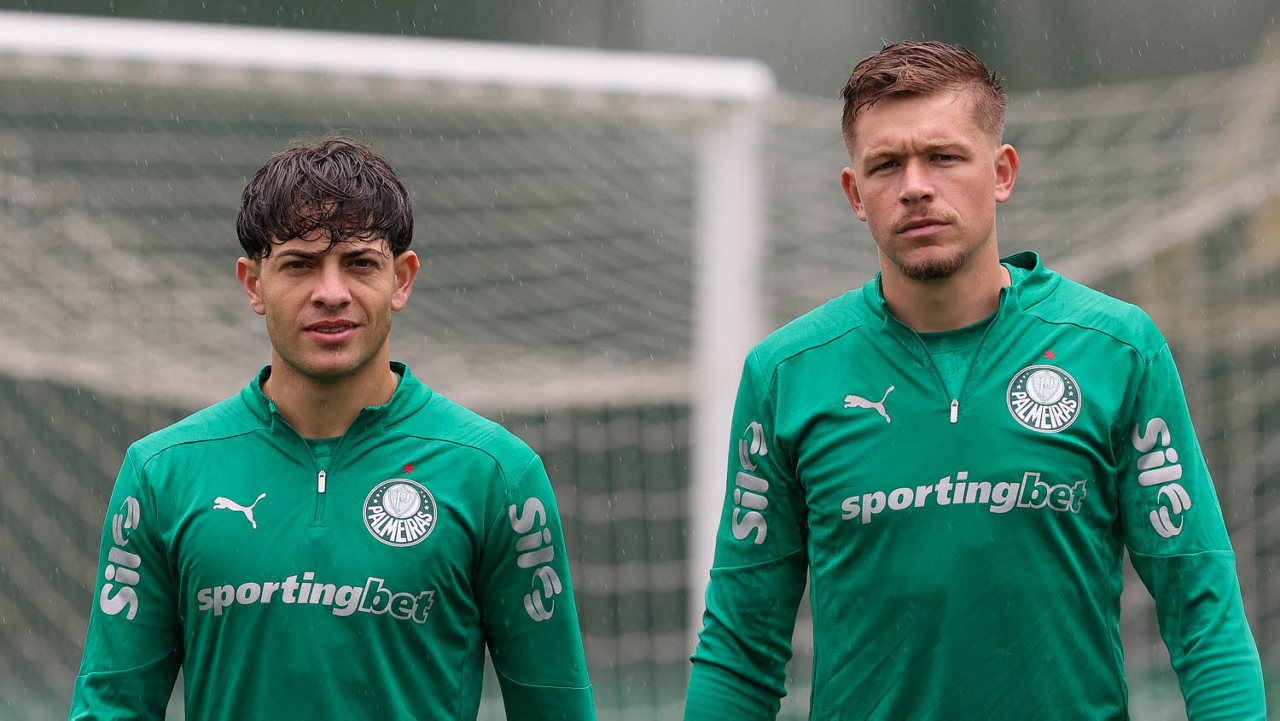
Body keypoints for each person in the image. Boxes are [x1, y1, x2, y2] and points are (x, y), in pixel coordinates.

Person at [685, 42, 1265, 719]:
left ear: (1002, 172)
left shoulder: (1117, 349)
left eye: (944, 157)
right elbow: (740, 647)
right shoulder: (787, 374)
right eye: (886, 164)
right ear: (855, 193)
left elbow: (1203, 612)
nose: (915, 186)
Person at [72, 137, 595, 720]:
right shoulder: (162, 473)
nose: (331, 293)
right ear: (253, 284)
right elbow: (112, 708)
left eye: (359, 263)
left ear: (401, 279)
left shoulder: (496, 474)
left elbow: (556, 709)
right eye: (299, 264)